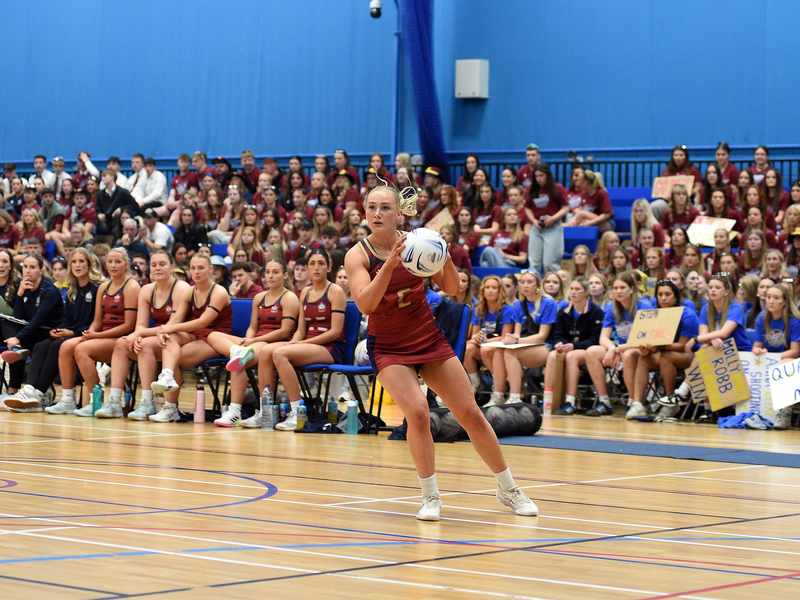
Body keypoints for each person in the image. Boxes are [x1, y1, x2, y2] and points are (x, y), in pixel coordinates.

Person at [345, 184, 538, 520]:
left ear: (399, 213)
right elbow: (366, 303)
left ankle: (509, 489)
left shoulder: (419, 241)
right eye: (372, 207)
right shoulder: (357, 255)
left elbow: (451, 289)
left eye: (385, 208)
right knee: (418, 412)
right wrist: (389, 266)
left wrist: (443, 255)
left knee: (471, 412)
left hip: (426, 337)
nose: (377, 214)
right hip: (389, 345)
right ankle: (430, 496)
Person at [98, 250, 192, 420]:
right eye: (154, 265)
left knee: (145, 345)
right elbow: (140, 323)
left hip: (183, 335)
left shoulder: (181, 288)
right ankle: (114, 402)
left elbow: (173, 325)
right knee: (122, 343)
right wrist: (137, 334)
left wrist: (140, 333)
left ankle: (148, 402)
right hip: (161, 334)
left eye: (162, 264)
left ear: (172, 267)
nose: (157, 268)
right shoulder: (147, 290)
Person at [262, 249, 346, 431]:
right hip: (308, 344)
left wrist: (300, 344)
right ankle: (265, 410)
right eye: (312, 264)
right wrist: (294, 342)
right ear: (307, 268)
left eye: (321, 263)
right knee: (265, 352)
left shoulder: (336, 291)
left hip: (330, 348)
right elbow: (301, 330)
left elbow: (335, 332)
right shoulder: (305, 292)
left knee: (280, 354)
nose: (316, 268)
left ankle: (297, 411)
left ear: (329, 267)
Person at [210, 261, 300, 427]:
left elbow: (285, 331)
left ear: (285, 275)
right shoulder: (259, 298)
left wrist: (254, 341)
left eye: (275, 272)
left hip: (275, 343)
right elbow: (252, 327)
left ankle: (239, 410)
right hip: (255, 341)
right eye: (268, 272)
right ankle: (238, 352)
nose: (270, 276)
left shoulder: (289, 298)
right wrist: (248, 338)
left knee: (241, 360)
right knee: (213, 336)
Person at [148, 254, 232, 422]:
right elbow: (177, 317)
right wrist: (166, 330)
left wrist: (169, 327)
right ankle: (167, 377)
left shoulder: (219, 291)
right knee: (170, 343)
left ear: (211, 270)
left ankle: (170, 405)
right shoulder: (189, 291)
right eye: (193, 268)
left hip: (216, 339)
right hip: (197, 336)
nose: (196, 272)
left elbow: (202, 322)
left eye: (201, 268)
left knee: (173, 357)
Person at [583, 272, 652, 418]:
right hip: (619, 348)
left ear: (632, 289)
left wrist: (619, 349)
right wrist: (612, 349)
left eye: (622, 287)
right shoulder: (610, 307)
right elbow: (603, 337)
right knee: (591, 352)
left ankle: (635, 402)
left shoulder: (644, 305)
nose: (618, 291)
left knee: (628, 354)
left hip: (641, 349)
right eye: (615, 288)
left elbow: (643, 338)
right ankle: (604, 401)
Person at [629, 279, 698, 421]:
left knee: (666, 356)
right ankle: (637, 404)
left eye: (667, 294)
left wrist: (658, 346)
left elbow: (683, 346)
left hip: (688, 356)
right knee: (644, 358)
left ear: (676, 296)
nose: (663, 298)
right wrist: (645, 348)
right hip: (661, 353)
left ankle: (671, 402)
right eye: (660, 294)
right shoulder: (653, 314)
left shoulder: (687, 314)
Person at [0, 253, 64, 395]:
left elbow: (37, 320)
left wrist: (19, 338)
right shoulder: (25, 287)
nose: (28, 270)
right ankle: (13, 388)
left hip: (49, 332)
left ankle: (26, 387)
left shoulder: (49, 291)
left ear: (40, 269)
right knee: (12, 331)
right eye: (25, 267)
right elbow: (18, 318)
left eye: (32, 267)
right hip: (33, 332)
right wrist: (20, 295)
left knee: (24, 341)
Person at [542, 278, 605, 414]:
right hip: (568, 347)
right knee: (553, 355)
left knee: (571, 356)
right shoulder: (563, 311)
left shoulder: (596, 312)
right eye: (571, 289)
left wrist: (574, 345)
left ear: (586, 292)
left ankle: (570, 401)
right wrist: (559, 343)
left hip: (587, 349)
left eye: (578, 289)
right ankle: (549, 400)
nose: (573, 292)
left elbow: (595, 339)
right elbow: (558, 334)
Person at [501, 271, 558, 405]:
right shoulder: (518, 305)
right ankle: (499, 393)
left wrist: (517, 341)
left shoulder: (548, 303)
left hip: (547, 345)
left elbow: (542, 337)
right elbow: (517, 333)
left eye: (529, 282)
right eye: (522, 282)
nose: (525, 285)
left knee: (510, 353)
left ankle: (515, 396)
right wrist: (511, 337)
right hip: (527, 343)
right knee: (500, 351)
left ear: (538, 285)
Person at [753, 284, 800, 429]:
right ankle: (754, 411)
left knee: (784, 363)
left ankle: (784, 413)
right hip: (772, 360)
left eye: (776, 298)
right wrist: (757, 351)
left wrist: (773, 358)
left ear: (784, 301)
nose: (771, 301)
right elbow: (757, 345)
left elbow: (795, 351)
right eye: (768, 297)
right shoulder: (762, 318)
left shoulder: (794, 320)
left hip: (793, 362)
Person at [525, 164, 567, 275]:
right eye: (536, 176)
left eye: (541, 175)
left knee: (550, 264)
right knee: (534, 264)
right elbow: (527, 208)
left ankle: (555, 290)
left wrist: (553, 218)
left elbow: (566, 207)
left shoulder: (557, 188)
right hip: (537, 228)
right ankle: (535, 290)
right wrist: (533, 221)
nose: (539, 178)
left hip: (553, 227)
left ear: (548, 175)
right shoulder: (531, 189)